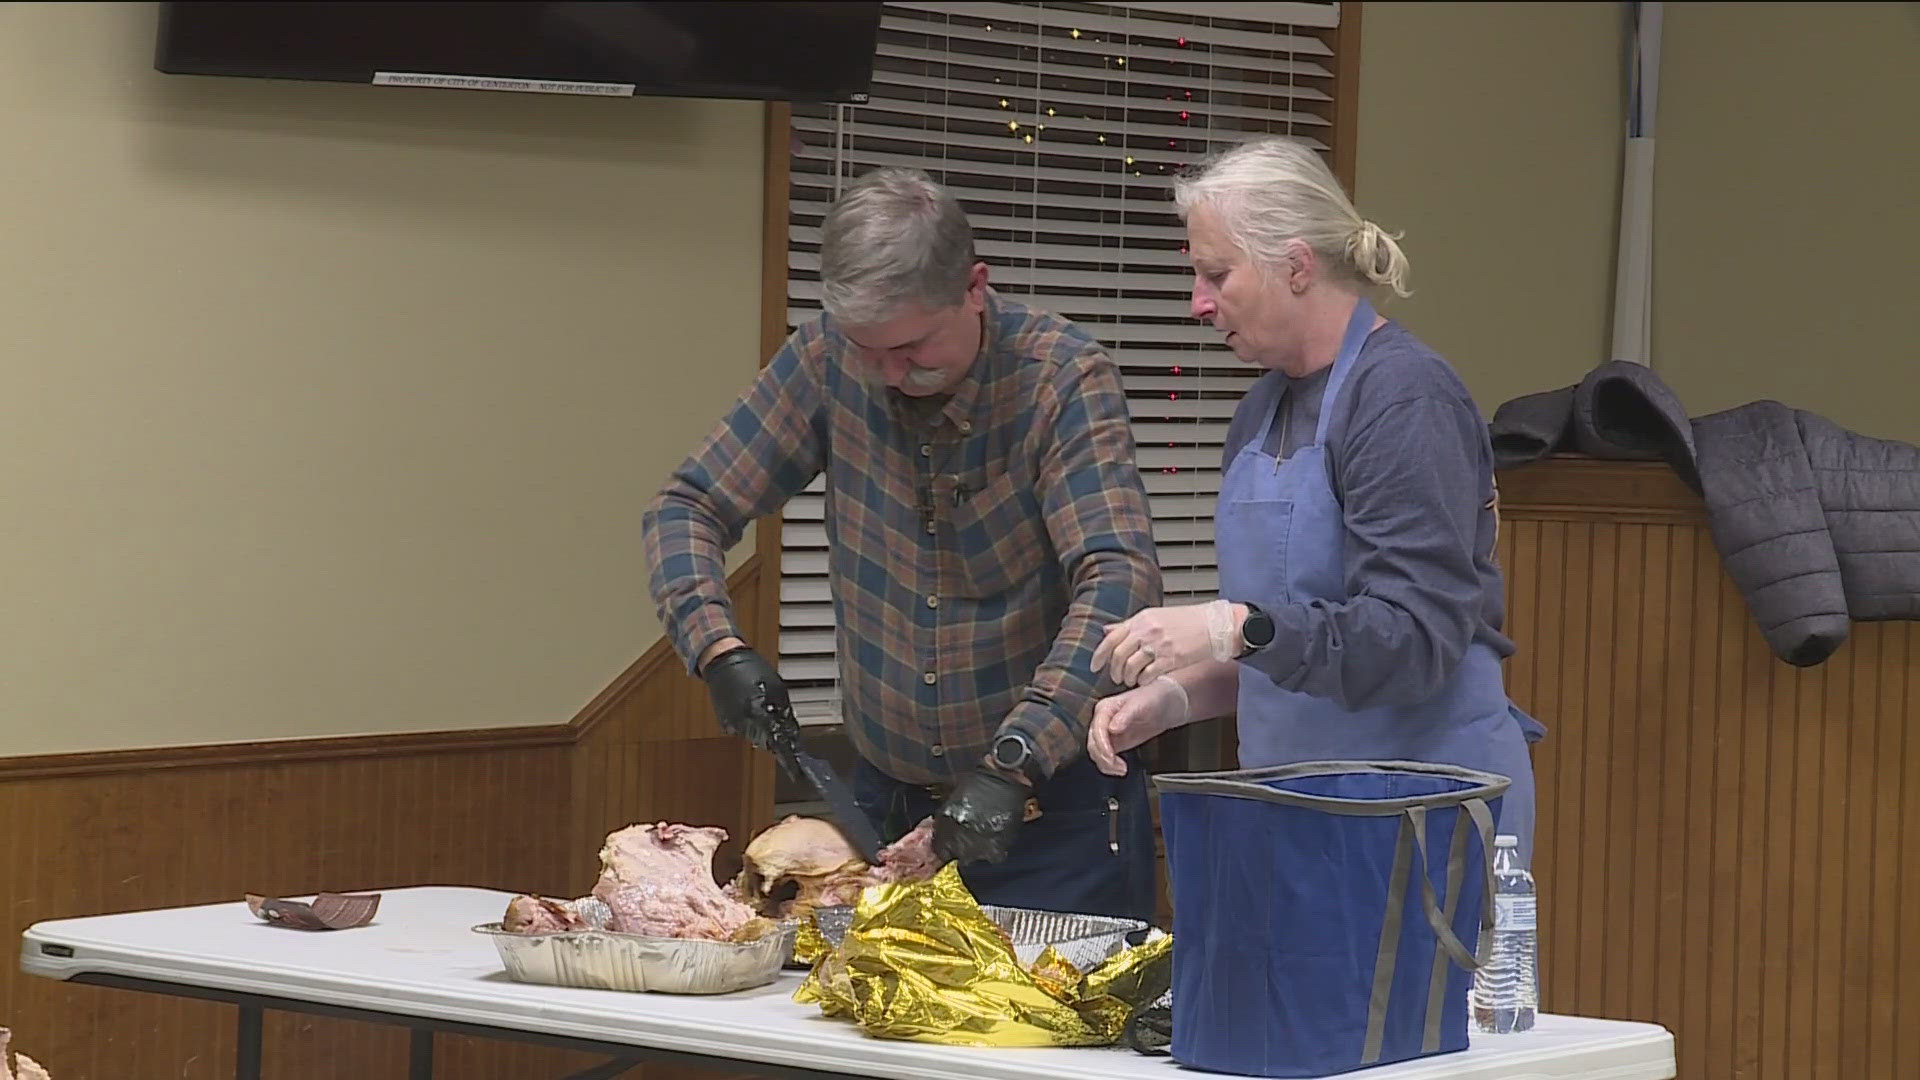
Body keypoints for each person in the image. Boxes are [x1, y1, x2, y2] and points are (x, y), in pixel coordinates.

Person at [642, 167, 1163, 921]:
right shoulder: (827, 363)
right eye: (870, 350)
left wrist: (1014, 759)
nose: (891, 374)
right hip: (884, 812)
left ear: (974, 287)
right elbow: (684, 506)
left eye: (913, 347)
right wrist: (717, 649)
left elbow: (1117, 579)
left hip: (1055, 815)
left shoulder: (1059, 379)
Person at [1085, 138, 1546, 863]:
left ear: (1295, 266)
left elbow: (1412, 641)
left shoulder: (1403, 400)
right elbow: (1293, 643)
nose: (1197, 304)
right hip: (1296, 809)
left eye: (1215, 274)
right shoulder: (1262, 409)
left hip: (1418, 818)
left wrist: (1230, 627)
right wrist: (1177, 698)